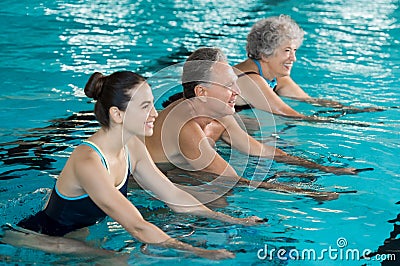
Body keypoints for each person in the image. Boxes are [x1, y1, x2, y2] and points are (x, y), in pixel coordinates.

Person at [3, 71, 268, 260]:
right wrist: (197, 252)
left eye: (152, 104)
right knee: (118, 259)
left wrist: (232, 219)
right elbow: (137, 226)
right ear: (117, 114)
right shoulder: (89, 162)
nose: (155, 113)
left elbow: (173, 196)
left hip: (82, 231)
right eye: (144, 107)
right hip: (44, 237)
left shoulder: (133, 146)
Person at [145, 47, 370, 202]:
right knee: (221, 199)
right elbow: (234, 179)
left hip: (181, 170)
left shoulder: (218, 112)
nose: (238, 91)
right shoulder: (187, 129)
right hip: (146, 184)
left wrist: (325, 169)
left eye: (235, 83)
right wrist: (302, 192)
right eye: (228, 85)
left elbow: (261, 150)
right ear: (202, 92)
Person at [233, 15, 382, 118]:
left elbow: (311, 101)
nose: (293, 58)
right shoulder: (250, 79)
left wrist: (355, 110)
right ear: (265, 54)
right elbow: (288, 114)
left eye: (294, 50)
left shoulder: (274, 76)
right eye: (286, 51)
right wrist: (343, 124)